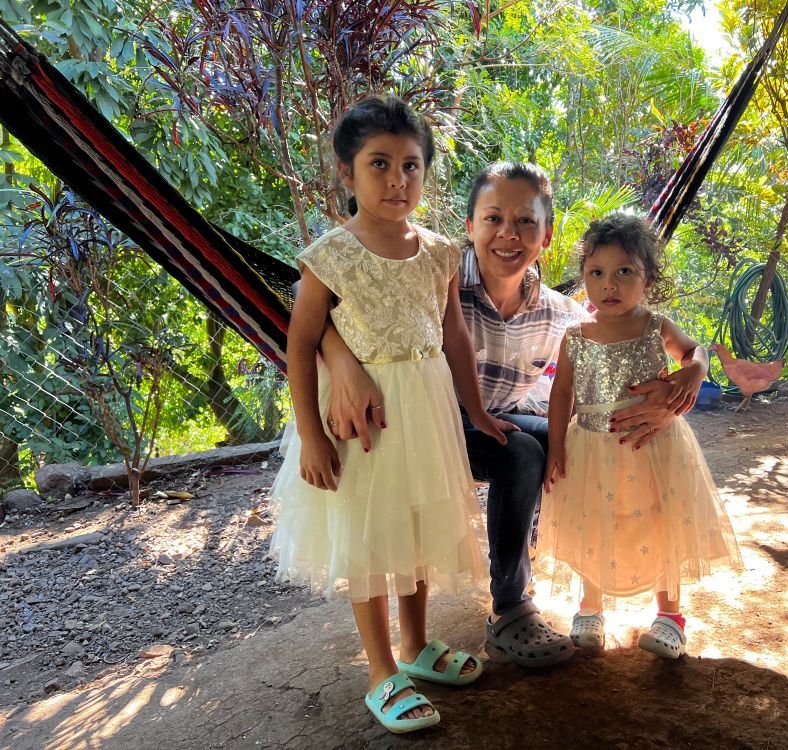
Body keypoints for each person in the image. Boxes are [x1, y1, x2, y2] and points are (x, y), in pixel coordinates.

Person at [321, 162, 688, 667]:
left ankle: (601, 587)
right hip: (422, 428)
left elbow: (624, 341)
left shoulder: (563, 313)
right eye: (493, 219)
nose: (508, 235)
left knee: (573, 442)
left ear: (547, 236)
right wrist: (339, 359)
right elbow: (310, 300)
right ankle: (511, 608)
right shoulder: (435, 276)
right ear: (469, 227)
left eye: (525, 222)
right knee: (521, 452)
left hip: (493, 424)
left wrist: (679, 387)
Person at [268, 96, 514, 735]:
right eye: (379, 164)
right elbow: (300, 342)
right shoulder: (331, 254)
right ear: (347, 174)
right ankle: (382, 671)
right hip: (361, 424)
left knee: (414, 525)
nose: (397, 180)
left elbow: (454, 333)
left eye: (411, 165)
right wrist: (312, 435)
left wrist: (476, 409)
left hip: (426, 409)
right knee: (369, 535)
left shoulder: (439, 252)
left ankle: (417, 645)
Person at [539, 213, 742, 660]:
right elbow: (561, 395)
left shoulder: (656, 325)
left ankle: (670, 616)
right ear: (584, 278)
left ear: (647, 278)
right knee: (594, 523)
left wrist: (694, 371)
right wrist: (555, 447)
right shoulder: (575, 336)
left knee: (660, 519)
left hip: (653, 448)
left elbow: (696, 351)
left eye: (623, 272)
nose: (608, 285)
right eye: (597, 273)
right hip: (590, 447)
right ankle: (589, 609)